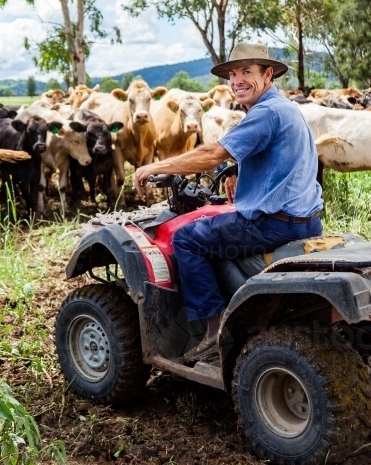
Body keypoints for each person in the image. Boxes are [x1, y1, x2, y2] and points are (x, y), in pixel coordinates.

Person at [134, 43, 323, 362]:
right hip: (305, 218)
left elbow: (211, 155)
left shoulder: (267, 112)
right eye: (233, 74)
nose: (237, 80)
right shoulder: (284, 107)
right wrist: (238, 174)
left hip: (274, 224)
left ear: (267, 74)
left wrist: (157, 166)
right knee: (216, 232)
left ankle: (213, 332)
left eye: (246, 72)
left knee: (187, 239)